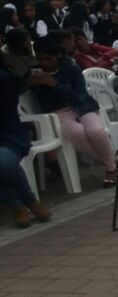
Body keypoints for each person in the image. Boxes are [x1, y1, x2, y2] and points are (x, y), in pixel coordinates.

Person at [31, 36, 118, 187]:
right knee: (76, 133)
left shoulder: (70, 68)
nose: (44, 63)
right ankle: (113, 163)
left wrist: (55, 85)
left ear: (57, 55)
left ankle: (111, 165)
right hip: (58, 113)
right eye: (40, 59)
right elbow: (42, 102)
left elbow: (80, 96)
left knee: (96, 131)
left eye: (48, 58)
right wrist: (29, 84)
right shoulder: (34, 72)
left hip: (82, 106)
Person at [0, 58, 52, 227]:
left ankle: (28, 200)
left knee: (3, 161)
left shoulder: (4, 79)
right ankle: (16, 205)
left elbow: (5, 116)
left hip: (8, 135)